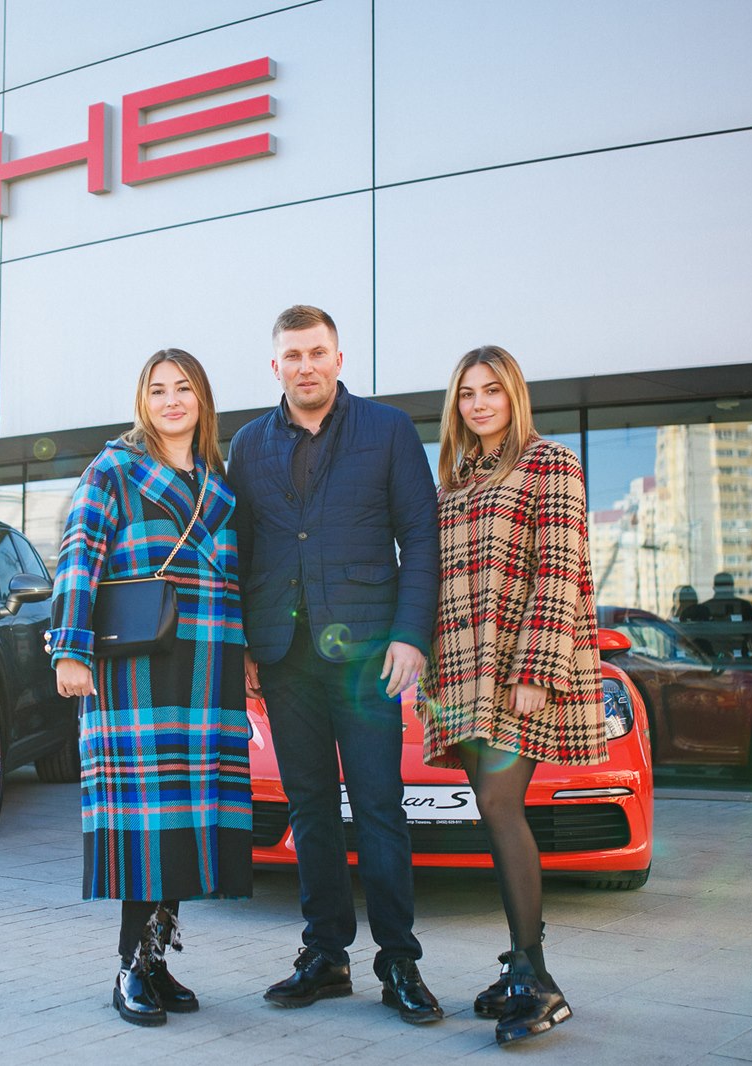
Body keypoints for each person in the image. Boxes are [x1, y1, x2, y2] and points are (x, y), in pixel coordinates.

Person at [227, 305, 443, 1025]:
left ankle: (399, 961)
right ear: (276, 366)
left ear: (339, 358)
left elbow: (420, 535)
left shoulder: (388, 430)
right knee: (310, 807)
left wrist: (411, 635)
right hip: (284, 658)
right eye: (293, 356)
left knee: (379, 806)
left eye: (317, 352)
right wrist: (246, 644)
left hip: (369, 658)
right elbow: (241, 551)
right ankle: (325, 955)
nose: (306, 366)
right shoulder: (248, 444)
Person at [47, 349, 252, 1028]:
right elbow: (79, 557)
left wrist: (248, 652)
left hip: (206, 663)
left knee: (185, 818)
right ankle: (129, 968)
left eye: (183, 388)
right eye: (158, 390)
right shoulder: (113, 469)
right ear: (144, 402)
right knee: (146, 818)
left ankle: (156, 959)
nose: (171, 401)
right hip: (134, 670)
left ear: (202, 399)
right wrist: (70, 649)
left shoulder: (218, 481)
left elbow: (236, 578)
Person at [417, 345, 608, 1045]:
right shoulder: (454, 480)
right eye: (467, 393)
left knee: (500, 805)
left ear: (514, 395)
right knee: (492, 808)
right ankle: (520, 965)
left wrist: (534, 670)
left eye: (491, 390)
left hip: (520, 666)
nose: (478, 404)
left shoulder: (550, 462)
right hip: (462, 670)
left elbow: (560, 569)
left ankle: (537, 979)